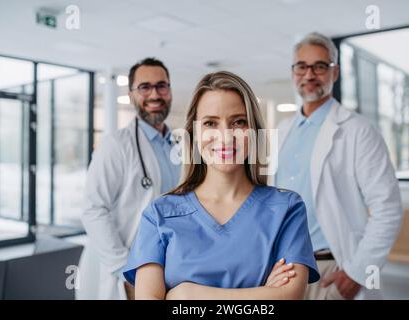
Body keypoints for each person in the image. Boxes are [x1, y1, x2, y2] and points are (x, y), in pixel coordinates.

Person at [123, 71, 320, 299]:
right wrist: (263, 293)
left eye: (238, 122)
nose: (226, 136)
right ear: (194, 134)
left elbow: (289, 296)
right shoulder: (158, 215)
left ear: (254, 132)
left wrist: (186, 295)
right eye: (210, 123)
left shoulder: (286, 208)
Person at [275, 32, 403, 300]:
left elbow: (387, 208)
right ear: (293, 72)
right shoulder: (283, 130)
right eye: (302, 66)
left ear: (335, 72)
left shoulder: (358, 131)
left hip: (331, 269)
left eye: (320, 66)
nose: (309, 74)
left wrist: (358, 273)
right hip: (283, 269)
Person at [77, 57, 181, 300]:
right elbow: (93, 209)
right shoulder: (116, 144)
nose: (154, 94)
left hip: (168, 268)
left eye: (161, 86)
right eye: (145, 87)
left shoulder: (179, 144)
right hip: (127, 272)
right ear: (131, 94)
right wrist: (126, 269)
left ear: (170, 90)